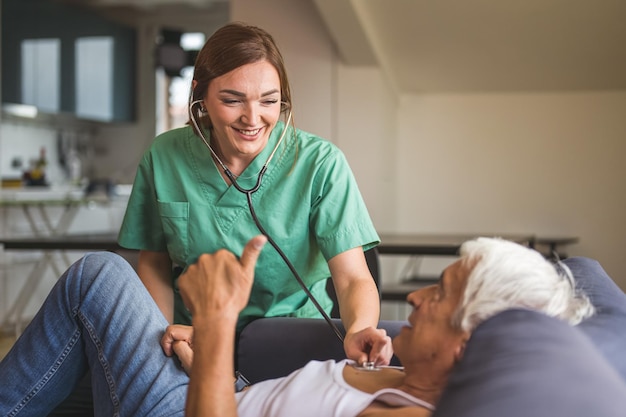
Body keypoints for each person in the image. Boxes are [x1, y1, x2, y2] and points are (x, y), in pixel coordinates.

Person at [0, 237, 595, 416]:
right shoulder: (399, 376)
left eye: (437, 295)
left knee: (97, 276)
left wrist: (218, 317)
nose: (413, 296)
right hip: (218, 392)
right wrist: (211, 355)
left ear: (467, 344)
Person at [117, 21, 387, 365]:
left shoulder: (321, 164)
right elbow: (154, 262)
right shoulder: (164, 156)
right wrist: (166, 341)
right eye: (232, 100)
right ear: (199, 94)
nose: (252, 118)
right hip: (194, 341)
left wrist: (359, 330)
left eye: (269, 101)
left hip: (292, 343)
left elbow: (351, 278)